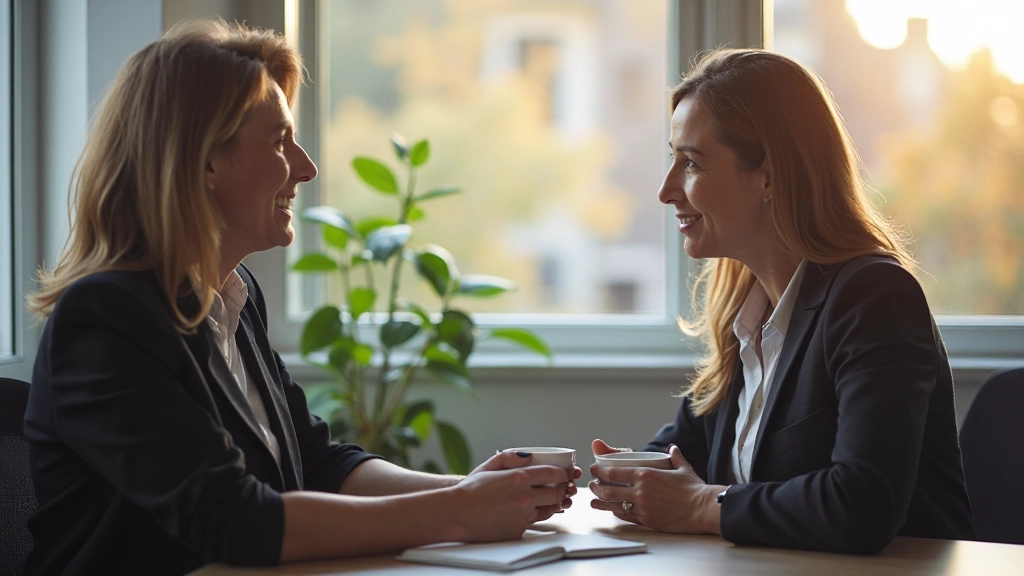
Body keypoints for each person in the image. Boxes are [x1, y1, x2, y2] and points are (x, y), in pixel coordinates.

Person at [23, 21, 577, 575]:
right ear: (206, 161)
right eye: (279, 141)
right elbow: (237, 522)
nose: (306, 168)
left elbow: (317, 463)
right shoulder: (104, 320)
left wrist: (473, 488)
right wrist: (457, 512)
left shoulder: (233, 301)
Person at [588, 48, 975, 554]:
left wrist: (701, 505)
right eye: (673, 159)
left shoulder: (874, 297)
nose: (666, 190)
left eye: (691, 162)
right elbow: (685, 454)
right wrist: (624, 477)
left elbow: (862, 504)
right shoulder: (745, 314)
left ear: (768, 175)